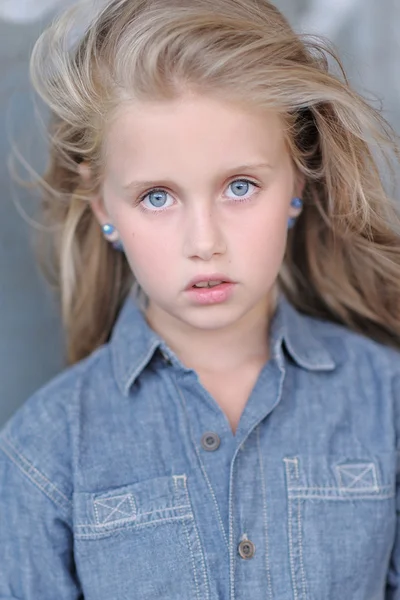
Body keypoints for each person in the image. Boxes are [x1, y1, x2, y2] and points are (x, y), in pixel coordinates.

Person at [1, 0, 400, 597]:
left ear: (297, 179)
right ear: (104, 205)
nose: (204, 243)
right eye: (157, 197)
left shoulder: (386, 402)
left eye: (240, 186)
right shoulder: (44, 448)